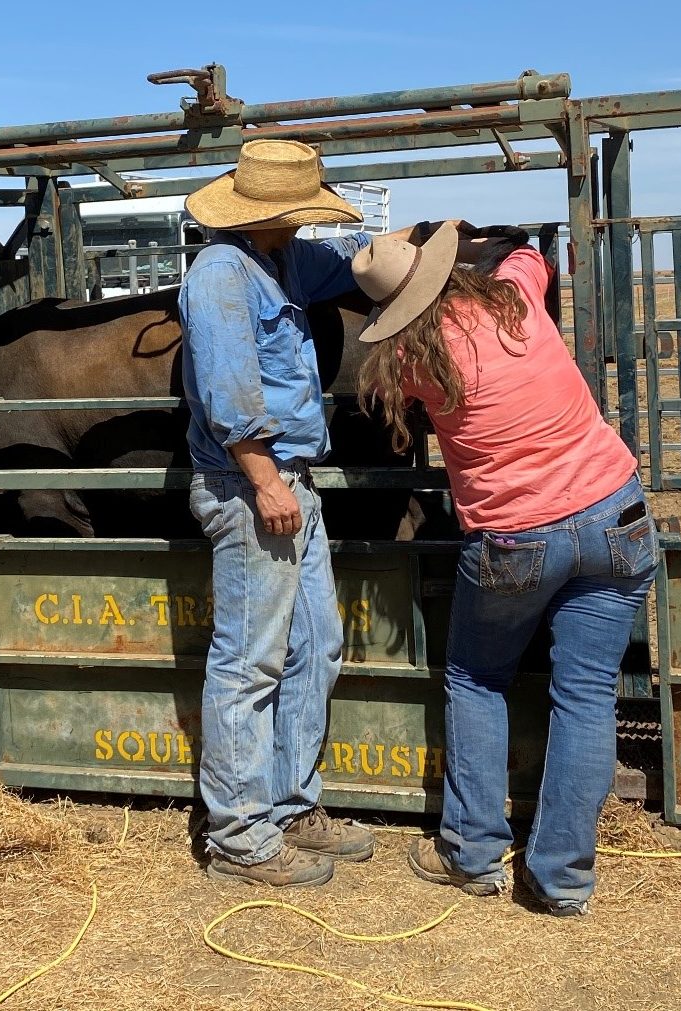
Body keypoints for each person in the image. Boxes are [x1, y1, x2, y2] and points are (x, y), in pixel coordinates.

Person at [352, 223, 658, 915]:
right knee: (584, 694)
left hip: (516, 538)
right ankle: (561, 881)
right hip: (617, 512)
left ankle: (472, 851)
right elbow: (528, 254)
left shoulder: (406, 360)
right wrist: (484, 239)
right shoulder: (512, 297)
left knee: (474, 676)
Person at [180, 138, 430, 887]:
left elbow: (350, 261)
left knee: (314, 644)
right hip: (250, 484)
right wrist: (264, 481)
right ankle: (238, 834)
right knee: (248, 660)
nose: (301, 224)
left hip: (292, 482)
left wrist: (409, 245)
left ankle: (290, 804)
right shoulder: (220, 274)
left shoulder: (284, 257)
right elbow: (229, 393)